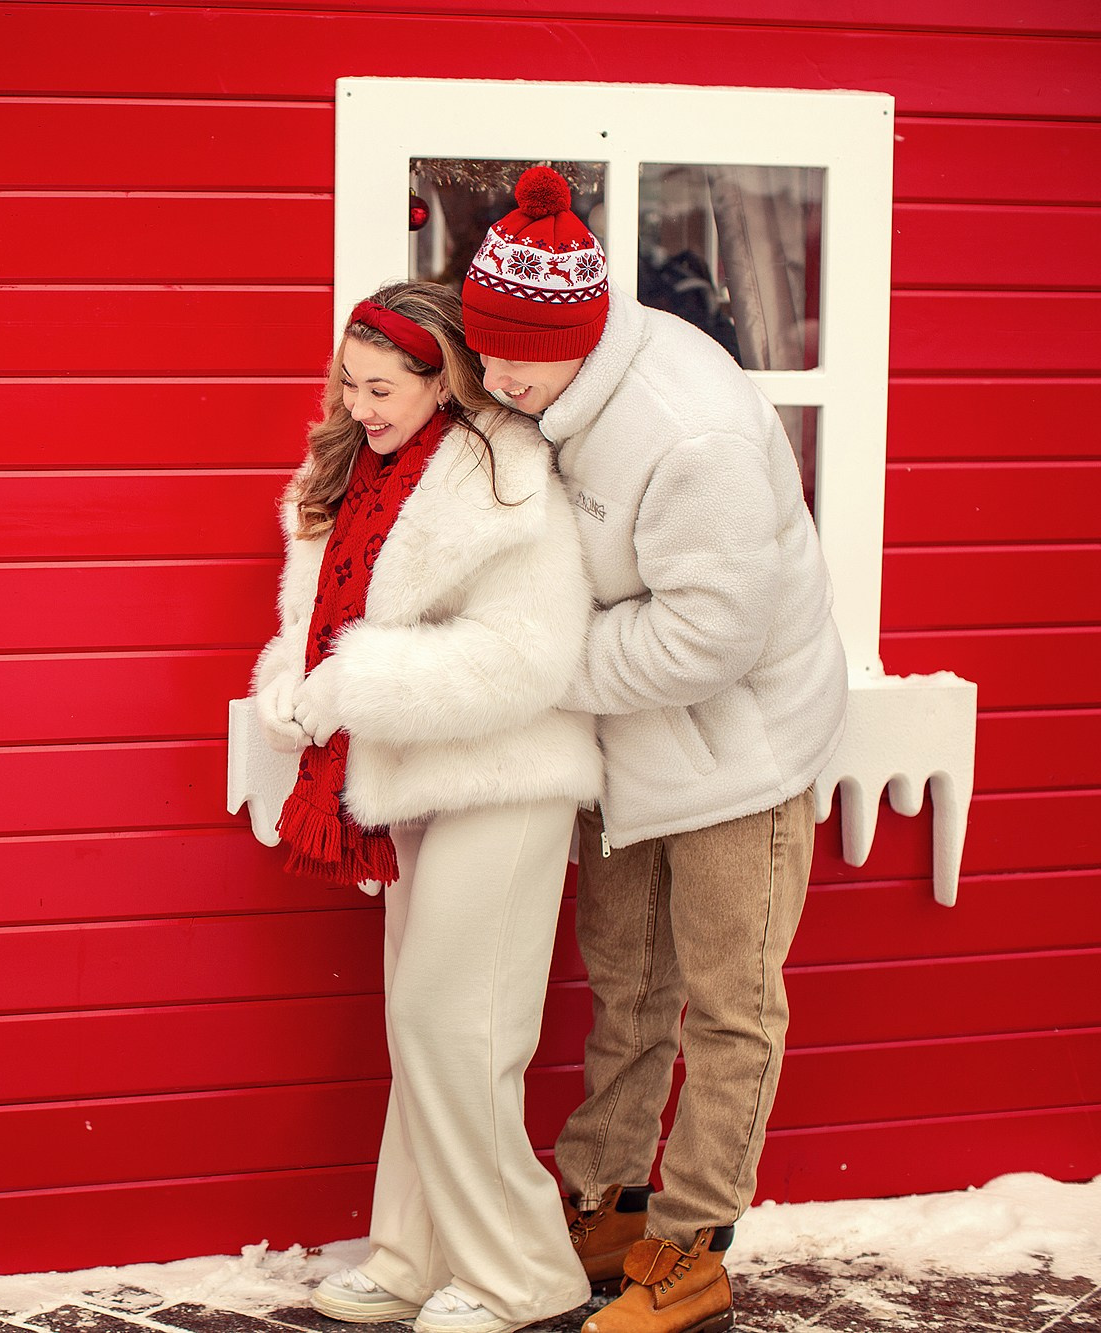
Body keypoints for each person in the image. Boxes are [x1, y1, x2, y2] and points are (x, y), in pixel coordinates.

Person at [462, 167, 848, 1333]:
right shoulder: (548, 385)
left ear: (576, 339)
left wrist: (539, 659)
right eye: (482, 357)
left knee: (727, 1003)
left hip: (740, 749)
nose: (492, 384)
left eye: (510, 364)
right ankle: (606, 1200)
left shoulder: (690, 437)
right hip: (629, 745)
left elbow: (707, 637)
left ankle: (692, 1246)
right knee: (625, 982)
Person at [254, 280, 602, 1333]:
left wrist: (348, 687)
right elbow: (317, 622)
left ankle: (522, 1270)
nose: (356, 405)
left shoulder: (502, 482)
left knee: (456, 1025)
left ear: (437, 376)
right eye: (346, 384)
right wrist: (286, 681)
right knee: (423, 1027)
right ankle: (414, 1251)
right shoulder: (358, 475)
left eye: (377, 386)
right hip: (411, 783)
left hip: (505, 775)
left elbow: (525, 657)